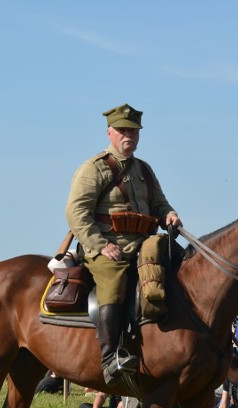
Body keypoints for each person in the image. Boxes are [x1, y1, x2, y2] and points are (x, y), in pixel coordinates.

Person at [65, 103, 181, 388]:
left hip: (142, 242)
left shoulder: (145, 170)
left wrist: (169, 213)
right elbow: (75, 212)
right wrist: (100, 245)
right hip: (106, 246)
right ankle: (110, 359)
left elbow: (160, 202)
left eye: (133, 131)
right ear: (110, 133)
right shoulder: (95, 168)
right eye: (122, 130)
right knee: (114, 280)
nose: (128, 135)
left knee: (180, 265)